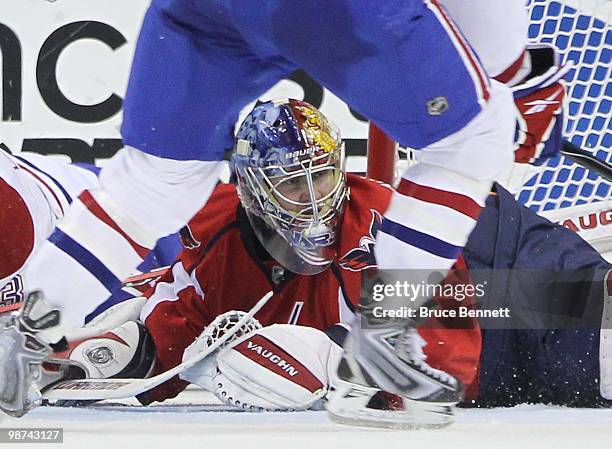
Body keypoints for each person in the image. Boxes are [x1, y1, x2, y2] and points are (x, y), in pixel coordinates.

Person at [0, 1, 518, 425]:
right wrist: (139, 349)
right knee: (478, 137)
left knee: (153, 181)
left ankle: (22, 335)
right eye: (292, 181)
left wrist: (342, 364)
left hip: (498, 270)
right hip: (329, 14)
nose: (313, 197)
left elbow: (457, 359)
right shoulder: (221, 234)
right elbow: (187, 324)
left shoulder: (378, 217)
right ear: (251, 191)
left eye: (320, 175)